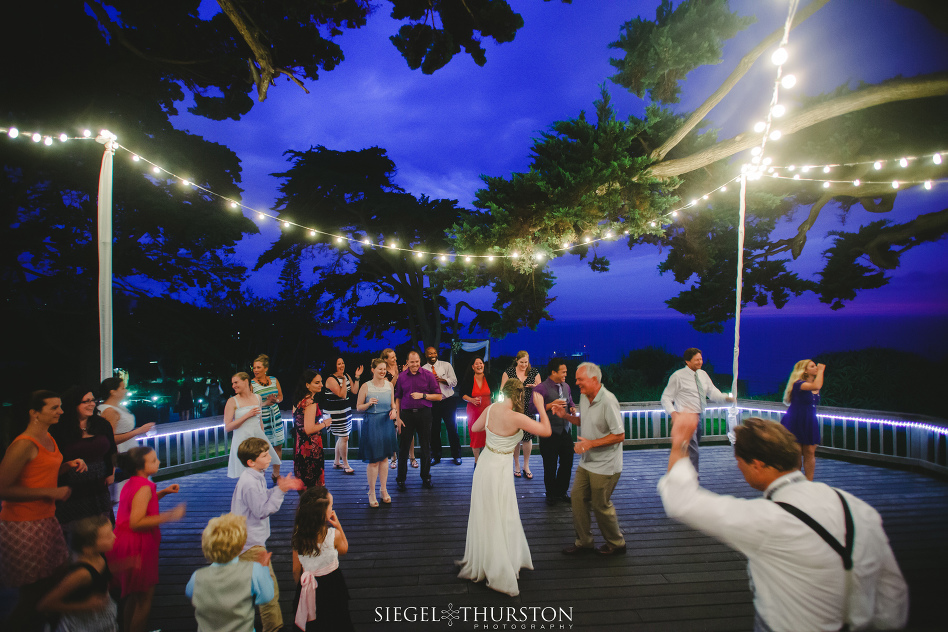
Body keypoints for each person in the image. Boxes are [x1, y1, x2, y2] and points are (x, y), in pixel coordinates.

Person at [658, 416, 908, 632]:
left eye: (739, 461)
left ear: (756, 464)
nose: (738, 466)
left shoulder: (768, 521)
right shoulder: (860, 509)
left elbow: (681, 501)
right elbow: (892, 592)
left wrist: (680, 441)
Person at [0, 391, 86, 630]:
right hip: (22, 524)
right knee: (33, 593)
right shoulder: (24, 444)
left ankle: (44, 624)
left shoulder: (48, 437)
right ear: (34, 413)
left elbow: (36, 476)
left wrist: (67, 465)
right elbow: (3, 489)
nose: (61, 411)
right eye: (54, 408)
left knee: (55, 579)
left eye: (60, 406)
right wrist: (51, 493)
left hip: (46, 520)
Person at [456, 381, 552, 596]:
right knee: (503, 515)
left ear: (502, 392)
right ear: (519, 396)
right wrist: (542, 407)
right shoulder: (517, 417)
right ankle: (500, 564)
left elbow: (474, 428)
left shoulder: (490, 409)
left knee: (486, 515)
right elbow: (546, 431)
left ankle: (484, 560)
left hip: (485, 466)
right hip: (500, 471)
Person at [108, 446, 185, 632]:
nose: (158, 462)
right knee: (144, 600)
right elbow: (136, 521)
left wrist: (163, 492)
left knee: (133, 597)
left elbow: (141, 505)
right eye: (153, 460)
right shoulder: (144, 487)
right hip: (138, 544)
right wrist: (169, 516)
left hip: (124, 541)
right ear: (141, 467)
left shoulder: (133, 483)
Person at [231, 437, 303, 632]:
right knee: (268, 591)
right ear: (251, 462)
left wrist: (280, 488)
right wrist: (280, 492)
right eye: (264, 455)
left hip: (248, 542)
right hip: (251, 544)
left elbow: (262, 499)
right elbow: (262, 510)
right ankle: (272, 628)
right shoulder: (250, 483)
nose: (269, 456)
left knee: (253, 589)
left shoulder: (255, 476)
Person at [559, 362, 627, 556]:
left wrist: (590, 444)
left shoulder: (608, 401)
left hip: (606, 465)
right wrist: (565, 416)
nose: (576, 382)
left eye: (580, 379)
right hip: (587, 462)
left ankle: (617, 544)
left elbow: (619, 435)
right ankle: (584, 542)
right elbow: (584, 420)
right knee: (578, 499)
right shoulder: (584, 396)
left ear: (594, 380)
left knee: (600, 505)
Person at [186, 513, 275, 632]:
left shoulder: (197, 577)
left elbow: (190, 593)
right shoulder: (253, 571)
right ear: (241, 545)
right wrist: (263, 567)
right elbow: (266, 596)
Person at [50, 387, 117, 532]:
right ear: (73, 405)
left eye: (93, 400)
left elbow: (111, 449)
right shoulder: (60, 429)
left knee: (100, 529)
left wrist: (111, 472)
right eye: (86, 401)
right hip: (72, 488)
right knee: (76, 531)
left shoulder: (101, 424)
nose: (92, 404)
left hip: (98, 485)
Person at [36, 515, 118, 632]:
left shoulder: (99, 555)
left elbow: (100, 576)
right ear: (87, 548)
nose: (114, 536)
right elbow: (45, 604)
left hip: (100, 617)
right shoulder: (82, 573)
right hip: (83, 623)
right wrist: (86, 605)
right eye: (107, 536)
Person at [660, 348, 732, 473]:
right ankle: (693, 480)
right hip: (684, 418)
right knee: (693, 451)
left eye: (701, 359)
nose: (700, 362)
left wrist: (725, 398)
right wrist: (674, 414)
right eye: (697, 360)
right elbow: (666, 398)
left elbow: (712, 392)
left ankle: (679, 472)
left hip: (698, 417)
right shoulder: (678, 376)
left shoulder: (703, 375)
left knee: (688, 449)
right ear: (687, 361)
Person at [292, 486, 353, 632]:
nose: (332, 508)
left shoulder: (298, 538)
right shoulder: (333, 535)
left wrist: (302, 586)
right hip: (332, 585)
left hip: (308, 585)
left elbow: (296, 569)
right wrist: (338, 526)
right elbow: (344, 549)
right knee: (336, 618)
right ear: (322, 514)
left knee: (314, 623)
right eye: (331, 505)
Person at [98, 377, 155, 505]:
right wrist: (137, 431)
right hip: (122, 454)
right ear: (113, 391)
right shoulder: (109, 411)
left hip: (130, 450)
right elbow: (109, 439)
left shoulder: (117, 408)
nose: (126, 390)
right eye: (122, 388)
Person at [393, 350, 442, 491]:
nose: (414, 364)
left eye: (417, 362)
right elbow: (398, 397)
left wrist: (423, 395)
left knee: (426, 447)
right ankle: (401, 480)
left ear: (420, 361)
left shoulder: (428, 375)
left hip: (424, 414)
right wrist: (398, 416)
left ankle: (426, 477)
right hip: (406, 415)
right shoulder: (401, 377)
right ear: (407, 362)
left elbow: (438, 396)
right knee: (403, 448)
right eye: (412, 362)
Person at [533, 358, 578, 505]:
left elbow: (570, 401)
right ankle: (551, 495)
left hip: (565, 432)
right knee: (550, 465)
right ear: (553, 372)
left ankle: (561, 491)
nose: (566, 374)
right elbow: (531, 408)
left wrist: (572, 408)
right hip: (549, 433)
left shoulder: (566, 386)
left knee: (567, 463)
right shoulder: (541, 388)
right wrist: (549, 405)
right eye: (563, 371)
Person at [355, 359, 397, 507]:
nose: (383, 371)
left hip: (386, 423)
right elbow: (359, 407)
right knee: (373, 460)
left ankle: (383, 490)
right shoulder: (366, 386)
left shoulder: (390, 385)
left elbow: (393, 405)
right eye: (380, 369)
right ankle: (371, 492)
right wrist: (368, 404)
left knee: (385, 459)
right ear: (372, 369)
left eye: (384, 369)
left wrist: (394, 411)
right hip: (372, 423)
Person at [224, 372, 282, 479]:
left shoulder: (257, 398)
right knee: (246, 474)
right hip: (242, 440)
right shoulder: (232, 401)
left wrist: (263, 440)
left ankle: (261, 492)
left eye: (236, 382)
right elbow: (228, 427)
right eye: (232, 383)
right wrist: (247, 415)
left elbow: (260, 421)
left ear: (246, 381)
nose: (233, 386)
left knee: (260, 469)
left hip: (256, 437)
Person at [782, 359, 826, 481]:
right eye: (812, 366)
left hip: (809, 420)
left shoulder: (813, 385)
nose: (816, 367)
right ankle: (796, 481)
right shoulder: (798, 384)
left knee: (810, 452)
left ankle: (809, 482)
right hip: (795, 420)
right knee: (797, 454)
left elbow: (816, 387)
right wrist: (822, 370)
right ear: (805, 370)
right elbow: (816, 385)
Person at [500, 351, 540, 479]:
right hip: (514, 408)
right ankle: (516, 464)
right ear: (516, 360)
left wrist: (535, 387)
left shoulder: (534, 372)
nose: (524, 365)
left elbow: (542, 389)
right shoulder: (509, 372)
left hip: (529, 408)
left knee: (527, 438)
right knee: (516, 438)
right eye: (521, 362)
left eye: (526, 362)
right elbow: (502, 390)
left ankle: (526, 465)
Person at [323, 357, 363, 475]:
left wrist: (356, 377)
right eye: (339, 364)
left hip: (345, 411)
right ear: (334, 365)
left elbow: (355, 391)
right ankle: (345, 464)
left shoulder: (346, 376)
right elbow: (342, 394)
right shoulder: (331, 379)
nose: (342, 365)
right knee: (344, 437)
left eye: (343, 363)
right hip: (334, 413)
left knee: (343, 436)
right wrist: (343, 381)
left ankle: (336, 462)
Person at [422, 346, 462, 465]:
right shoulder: (423, 369)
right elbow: (422, 387)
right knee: (434, 430)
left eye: (434, 352)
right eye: (430, 353)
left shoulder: (446, 365)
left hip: (448, 401)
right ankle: (436, 456)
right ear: (426, 355)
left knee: (452, 429)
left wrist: (441, 380)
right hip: (433, 403)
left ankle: (456, 455)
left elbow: (454, 381)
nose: (433, 355)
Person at [293, 370, 332, 489]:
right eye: (317, 383)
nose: (321, 385)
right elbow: (309, 429)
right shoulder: (310, 403)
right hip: (311, 449)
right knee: (313, 485)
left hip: (300, 447)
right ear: (307, 385)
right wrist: (325, 423)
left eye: (321, 382)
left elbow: (298, 424)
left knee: (304, 483)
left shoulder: (299, 400)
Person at [381, 349, 416, 471]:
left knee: (408, 429)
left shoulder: (402, 367)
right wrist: (397, 375)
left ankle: (412, 457)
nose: (395, 359)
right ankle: (394, 457)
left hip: (404, 401)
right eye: (392, 357)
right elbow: (389, 387)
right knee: (393, 431)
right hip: (390, 403)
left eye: (395, 356)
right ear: (385, 359)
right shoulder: (383, 371)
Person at [251, 354, 286, 479]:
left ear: (265, 368)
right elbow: (250, 403)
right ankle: (261, 474)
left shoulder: (274, 380)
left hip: (275, 416)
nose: (255, 370)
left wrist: (275, 400)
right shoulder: (252, 384)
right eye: (254, 368)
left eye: (258, 367)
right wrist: (265, 403)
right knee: (263, 447)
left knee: (278, 445)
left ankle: (276, 473)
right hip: (262, 418)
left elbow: (281, 396)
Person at [459, 357, 494, 463]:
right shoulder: (469, 379)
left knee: (487, 436)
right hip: (473, 412)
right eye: (477, 364)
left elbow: (496, 393)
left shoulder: (490, 377)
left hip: (488, 411)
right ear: (473, 367)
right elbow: (462, 394)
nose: (479, 365)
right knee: (475, 436)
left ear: (484, 365)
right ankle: (477, 461)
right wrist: (471, 400)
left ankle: (486, 461)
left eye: (481, 363)